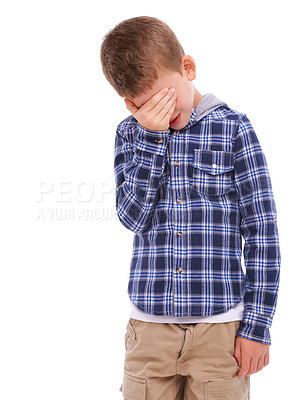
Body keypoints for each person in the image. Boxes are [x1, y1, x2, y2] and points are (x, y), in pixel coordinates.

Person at [100, 16, 281, 400]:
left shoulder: (234, 129)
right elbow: (132, 217)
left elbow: (262, 229)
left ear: (188, 68)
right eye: (148, 106)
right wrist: (151, 137)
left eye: (167, 97)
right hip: (149, 332)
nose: (163, 112)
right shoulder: (130, 135)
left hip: (220, 331)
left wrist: (257, 325)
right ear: (131, 104)